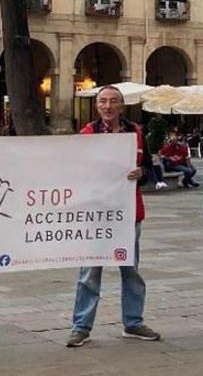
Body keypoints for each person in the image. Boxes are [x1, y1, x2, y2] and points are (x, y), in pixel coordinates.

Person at [66, 85, 160, 347]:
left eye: (113, 101)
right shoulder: (88, 134)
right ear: (97, 106)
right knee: (89, 271)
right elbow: (76, 170)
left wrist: (141, 173)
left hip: (128, 213)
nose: (108, 106)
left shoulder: (135, 133)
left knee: (131, 270)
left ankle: (133, 322)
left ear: (121, 106)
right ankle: (81, 327)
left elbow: (149, 169)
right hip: (96, 214)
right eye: (103, 102)